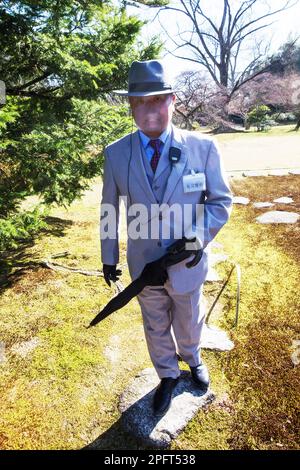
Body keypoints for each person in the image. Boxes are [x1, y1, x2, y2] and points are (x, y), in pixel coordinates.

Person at [100, 60, 233, 417]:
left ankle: (192, 358)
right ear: (131, 106)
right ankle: (167, 374)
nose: (149, 110)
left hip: (186, 261)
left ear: (173, 100)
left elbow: (220, 202)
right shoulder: (116, 153)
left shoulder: (203, 150)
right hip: (144, 264)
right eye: (140, 102)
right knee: (155, 320)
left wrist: (197, 238)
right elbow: (109, 207)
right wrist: (108, 256)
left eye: (157, 99)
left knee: (188, 317)